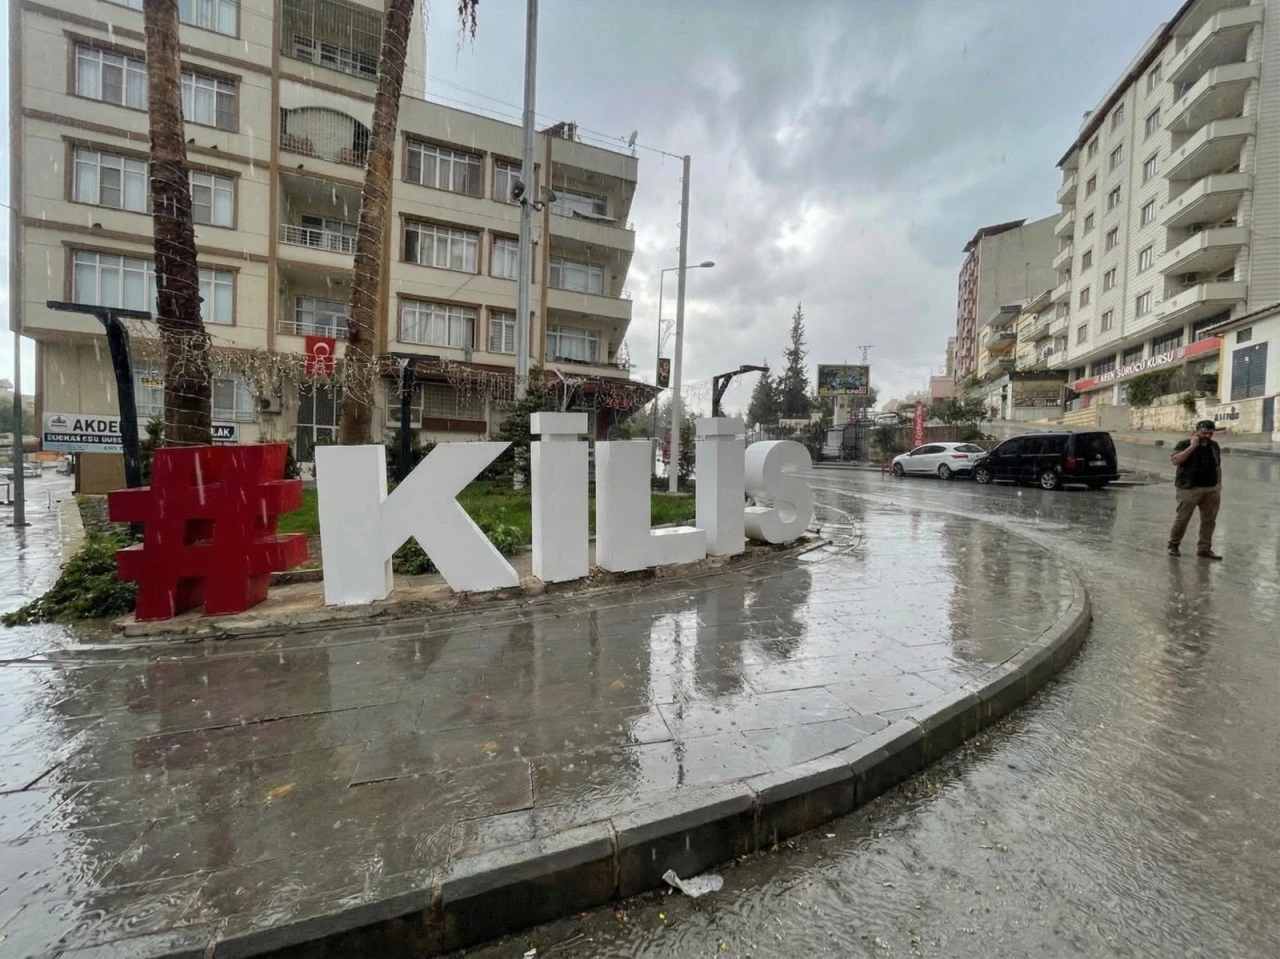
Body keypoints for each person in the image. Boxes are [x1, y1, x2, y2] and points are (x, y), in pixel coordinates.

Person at [1167, 420, 1222, 560]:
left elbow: (1217, 466)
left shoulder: (1214, 446)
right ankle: (1173, 545)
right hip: (1188, 488)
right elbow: (1175, 461)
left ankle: (1204, 549)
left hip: (1210, 489)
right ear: (1196, 431)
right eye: (1204, 433)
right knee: (1182, 519)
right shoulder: (1184, 444)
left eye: (1210, 433)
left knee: (1209, 521)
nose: (1207, 436)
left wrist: (1218, 485)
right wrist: (1193, 446)